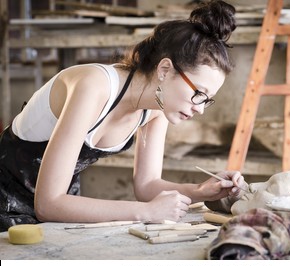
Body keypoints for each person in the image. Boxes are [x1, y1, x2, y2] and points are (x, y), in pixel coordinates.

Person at [0, 0, 247, 232]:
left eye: (207, 99)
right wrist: (145, 212)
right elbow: (48, 204)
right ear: (164, 69)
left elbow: (147, 186)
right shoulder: (94, 86)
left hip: (62, 206)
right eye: (198, 93)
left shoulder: (158, 106)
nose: (200, 108)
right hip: (7, 197)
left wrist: (201, 191)